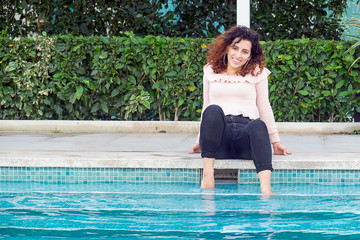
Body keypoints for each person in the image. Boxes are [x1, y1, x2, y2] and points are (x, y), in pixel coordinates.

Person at [189, 25, 291, 196]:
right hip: (221, 137)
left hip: (246, 138)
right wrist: (202, 139)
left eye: (245, 51)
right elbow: (206, 106)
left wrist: (275, 142)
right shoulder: (210, 71)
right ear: (227, 47)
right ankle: (208, 177)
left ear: (251, 55)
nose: (238, 55)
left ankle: (266, 190)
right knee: (213, 109)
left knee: (258, 125)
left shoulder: (257, 73)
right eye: (235, 48)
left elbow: (264, 106)